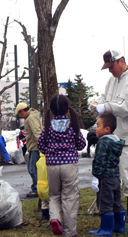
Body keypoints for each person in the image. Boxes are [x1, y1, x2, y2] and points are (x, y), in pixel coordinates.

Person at [89, 49, 128, 222]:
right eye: (108, 67)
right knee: (111, 176)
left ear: (121, 61)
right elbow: (105, 99)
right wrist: (96, 104)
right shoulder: (111, 81)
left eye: (112, 66)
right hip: (111, 137)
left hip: (127, 138)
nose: (110, 70)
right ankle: (113, 209)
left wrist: (106, 107)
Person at [37, 95, 86, 237]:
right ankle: (70, 232)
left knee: (54, 195)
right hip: (69, 166)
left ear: (51, 111)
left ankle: (54, 218)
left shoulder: (47, 127)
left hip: (52, 166)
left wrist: (51, 152)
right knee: (70, 197)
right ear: (68, 111)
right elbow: (82, 145)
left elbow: (41, 145)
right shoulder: (72, 126)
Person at [88, 113, 126, 236]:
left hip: (105, 179)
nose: (95, 128)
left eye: (98, 125)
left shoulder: (103, 143)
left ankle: (105, 230)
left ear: (107, 129)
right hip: (115, 178)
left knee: (105, 203)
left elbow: (99, 161)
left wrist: (95, 177)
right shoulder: (116, 142)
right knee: (116, 203)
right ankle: (120, 227)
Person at [15, 102, 42, 198]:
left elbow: (37, 132)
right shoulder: (31, 116)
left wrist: (42, 145)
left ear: (22, 111)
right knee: (32, 169)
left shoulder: (30, 118)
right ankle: (37, 188)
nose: (20, 115)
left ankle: (37, 189)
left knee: (33, 169)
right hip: (32, 147)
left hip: (35, 147)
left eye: (19, 113)